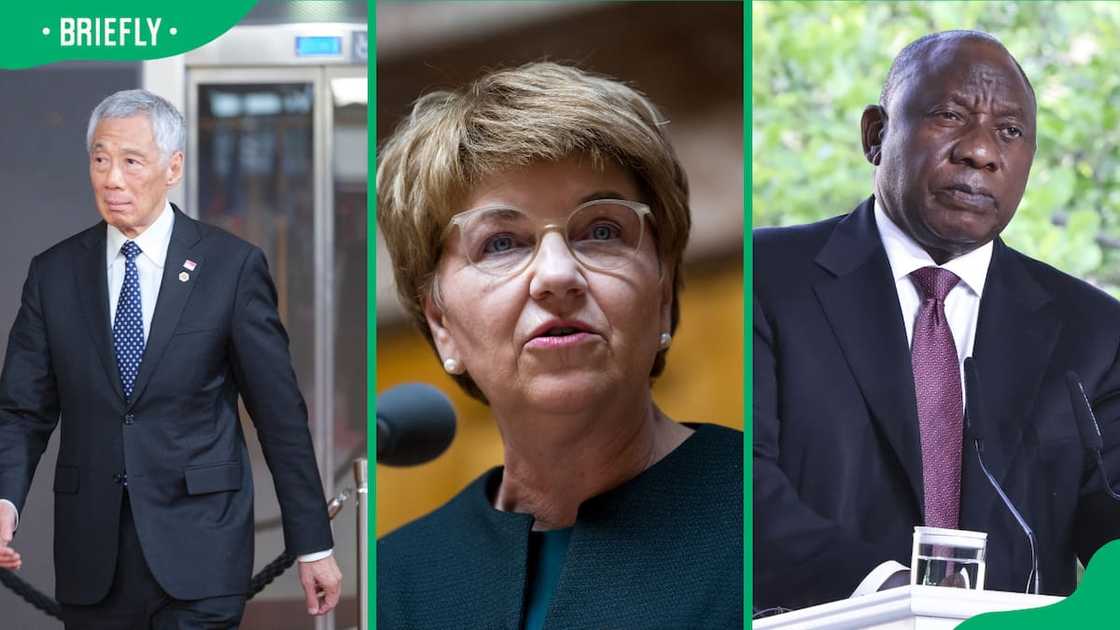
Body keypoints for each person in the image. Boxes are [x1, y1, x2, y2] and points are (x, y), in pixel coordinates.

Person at [754, 30, 1120, 611]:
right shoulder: (767, 277)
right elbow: (743, 488)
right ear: (876, 135)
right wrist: (893, 596)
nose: (980, 151)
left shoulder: (1094, 331)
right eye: (950, 115)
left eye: (1010, 131)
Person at [376, 62, 743, 629]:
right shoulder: (395, 586)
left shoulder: (770, 504)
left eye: (601, 231)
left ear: (663, 292)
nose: (556, 274)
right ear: (440, 323)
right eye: (500, 243)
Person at [0, 89, 342, 628]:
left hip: (203, 548)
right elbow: (22, 411)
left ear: (173, 167)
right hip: (94, 556)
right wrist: (5, 499)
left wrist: (313, 544)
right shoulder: (54, 274)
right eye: (100, 159)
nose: (112, 178)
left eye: (131, 161)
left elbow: (279, 418)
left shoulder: (230, 268)